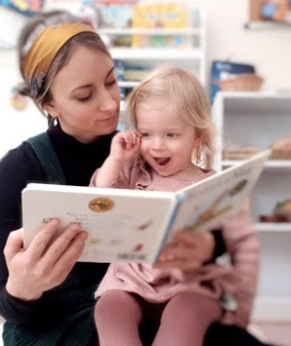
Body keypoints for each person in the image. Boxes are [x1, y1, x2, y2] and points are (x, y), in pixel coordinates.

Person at [0, 9, 271, 346]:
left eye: (111, 81)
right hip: (66, 320)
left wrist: (209, 244)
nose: (109, 104)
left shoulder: (147, 143)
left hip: (166, 297)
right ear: (49, 104)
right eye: (85, 95)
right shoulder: (16, 171)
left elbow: (199, 208)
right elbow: (10, 307)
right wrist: (23, 288)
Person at [91, 66, 259, 346]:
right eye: (146, 134)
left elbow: (246, 244)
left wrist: (241, 312)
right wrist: (116, 161)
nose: (157, 146)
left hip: (190, 287)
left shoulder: (215, 186)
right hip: (128, 284)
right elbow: (96, 203)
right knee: (109, 309)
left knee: (186, 314)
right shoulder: (133, 172)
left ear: (196, 135)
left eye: (171, 135)